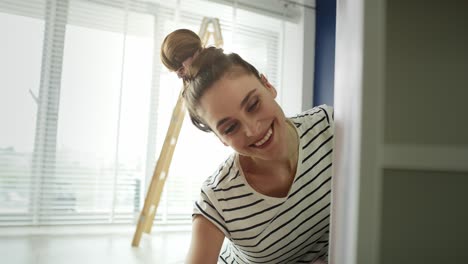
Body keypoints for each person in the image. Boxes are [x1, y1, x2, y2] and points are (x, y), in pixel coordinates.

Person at [161, 29, 333, 264]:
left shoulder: (331, 126)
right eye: (230, 128)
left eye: (253, 105)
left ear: (267, 85)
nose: (253, 130)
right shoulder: (218, 198)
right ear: (221, 138)